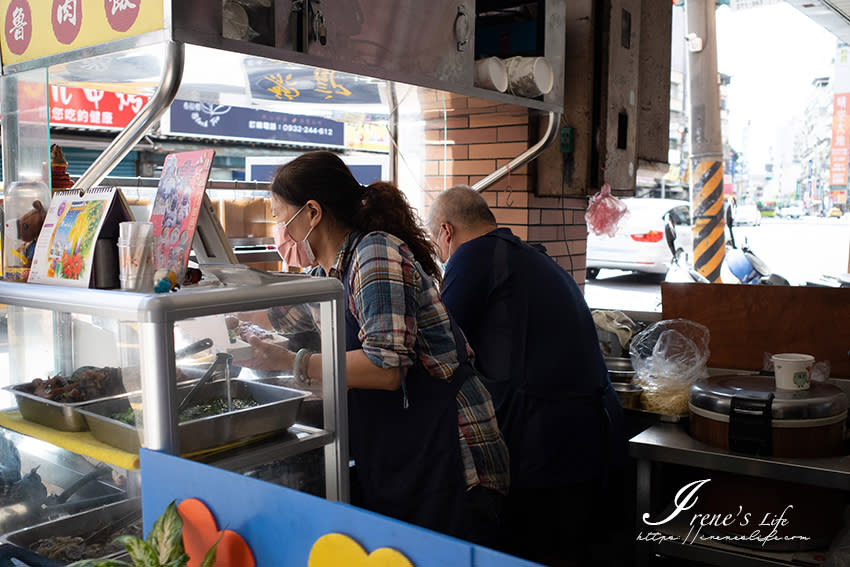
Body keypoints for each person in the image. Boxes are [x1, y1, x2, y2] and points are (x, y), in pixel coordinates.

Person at [240, 152, 509, 544]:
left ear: (312, 212)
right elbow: (278, 318)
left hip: (451, 452)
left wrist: (294, 362)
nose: (280, 230)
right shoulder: (326, 274)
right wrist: (221, 316)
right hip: (400, 447)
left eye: (282, 217)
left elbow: (385, 367)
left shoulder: (374, 254)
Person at [428, 185, 627, 566]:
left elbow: (441, 345)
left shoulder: (472, 257)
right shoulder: (525, 255)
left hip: (549, 444)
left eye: (435, 242)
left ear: (446, 232)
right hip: (590, 433)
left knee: (535, 551)